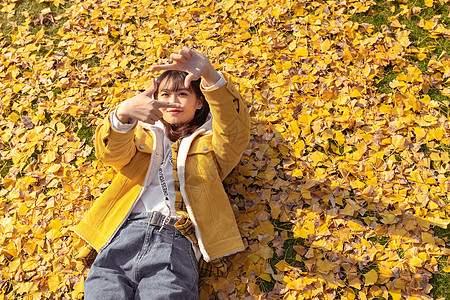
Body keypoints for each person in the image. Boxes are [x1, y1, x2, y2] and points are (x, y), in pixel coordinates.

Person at [75, 47, 251, 299]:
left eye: (182, 94)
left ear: (199, 101)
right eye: (165, 94)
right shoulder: (139, 136)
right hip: (122, 233)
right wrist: (122, 114)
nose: (172, 101)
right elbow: (111, 155)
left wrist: (210, 75)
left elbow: (235, 132)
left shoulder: (211, 144)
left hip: (175, 240)